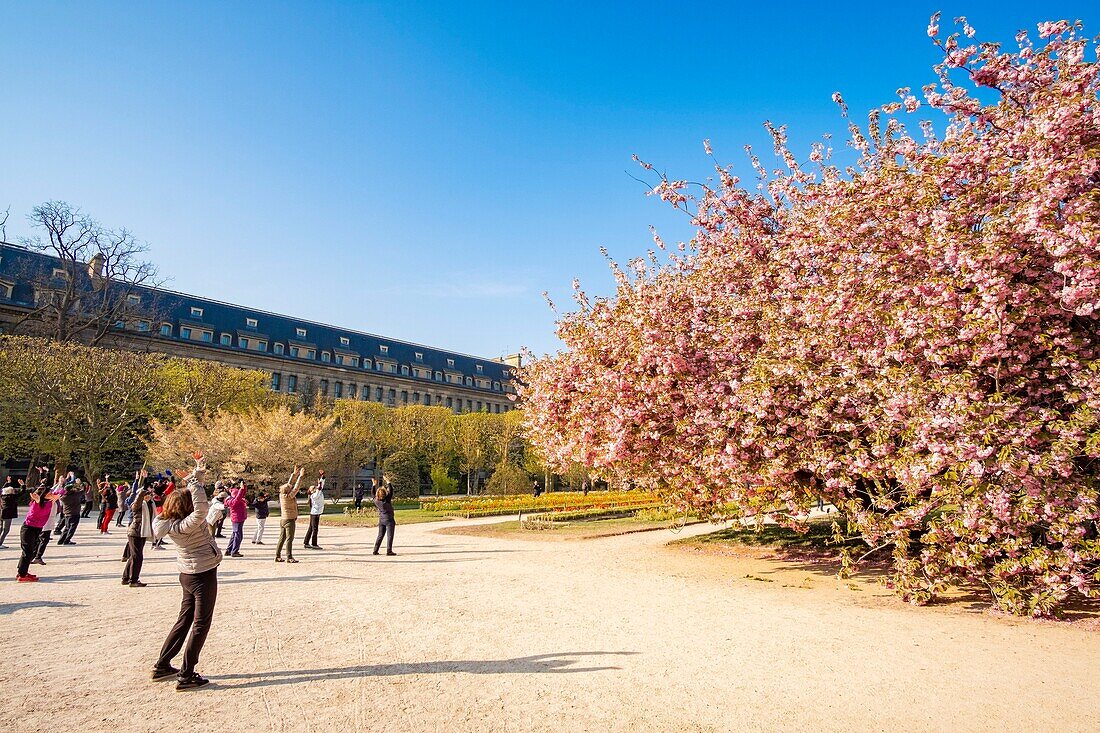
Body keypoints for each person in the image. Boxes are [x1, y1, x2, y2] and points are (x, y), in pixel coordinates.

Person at [152, 453, 222, 691]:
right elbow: (201, 509)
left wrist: (197, 473)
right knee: (201, 624)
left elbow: (187, 502)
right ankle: (187, 674)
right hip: (202, 574)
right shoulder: (187, 525)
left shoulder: (167, 523)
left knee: (184, 620)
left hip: (187, 575)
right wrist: (194, 484)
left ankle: (162, 665)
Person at [16, 476, 62, 582]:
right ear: (44, 496)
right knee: (27, 551)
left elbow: (61, 491)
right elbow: (33, 513)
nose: (52, 494)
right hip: (29, 528)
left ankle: (22, 571)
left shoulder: (50, 502)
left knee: (31, 551)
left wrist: (60, 482)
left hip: (37, 528)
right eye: (49, 494)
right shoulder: (35, 504)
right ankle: (22, 575)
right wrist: (37, 501)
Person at [123, 484, 155, 587]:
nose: (149, 496)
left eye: (150, 494)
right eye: (147, 494)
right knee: (137, 557)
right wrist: (142, 492)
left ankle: (126, 578)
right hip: (135, 532)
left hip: (143, 532)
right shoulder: (137, 504)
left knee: (134, 556)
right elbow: (136, 503)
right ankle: (133, 580)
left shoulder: (150, 503)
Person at [275, 466, 304, 563]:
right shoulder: (289, 496)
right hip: (289, 520)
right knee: (289, 539)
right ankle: (289, 557)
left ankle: (277, 556)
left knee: (281, 538)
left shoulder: (282, 494)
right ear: (288, 491)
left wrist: (294, 474)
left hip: (283, 520)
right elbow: (296, 487)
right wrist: (300, 476)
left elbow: (289, 485)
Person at [373, 478, 396, 556]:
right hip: (389, 519)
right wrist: (388, 481)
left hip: (381, 519)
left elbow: (373, 494)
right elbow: (391, 490)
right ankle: (389, 551)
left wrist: (374, 485)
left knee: (380, 535)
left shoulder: (376, 500)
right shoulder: (387, 500)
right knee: (390, 536)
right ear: (385, 494)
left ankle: (375, 550)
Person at [57, 479, 85, 545]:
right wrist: (80, 483)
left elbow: (60, 492)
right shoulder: (76, 495)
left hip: (66, 514)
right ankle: (67, 540)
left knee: (67, 527)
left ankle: (61, 540)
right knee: (72, 528)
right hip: (75, 513)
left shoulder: (63, 497)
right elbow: (83, 490)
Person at [224, 482, 247, 557]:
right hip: (237, 519)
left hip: (239, 518)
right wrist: (241, 489)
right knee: (238, 536)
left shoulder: (235, 499)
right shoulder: (233, 501)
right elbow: (239, 496)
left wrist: (244, 486)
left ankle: (229, 550)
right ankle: (234, 551)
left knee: (235, 535)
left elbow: (242, 494)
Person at [303, 478, 325, 550]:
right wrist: (320, 483)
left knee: (311, 528)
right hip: (315, 514)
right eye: (313, 488)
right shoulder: (314, 496)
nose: (315, 488)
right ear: (311, 491)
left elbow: (321, 487)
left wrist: (322, 478)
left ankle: (306, 542)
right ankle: (314, 544)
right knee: (315, 529)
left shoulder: (317, 493)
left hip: (315, 513)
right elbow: (319, 488)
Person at [0, 476, 18, 548]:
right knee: (6, 530)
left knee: (1, 528)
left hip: (2, 513)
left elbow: (3, 490)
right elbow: (22, 492)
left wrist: (8, 483)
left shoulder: (3, 496)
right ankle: (0, 543)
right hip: (8, 514)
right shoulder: (11, 497)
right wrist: (23, 486)